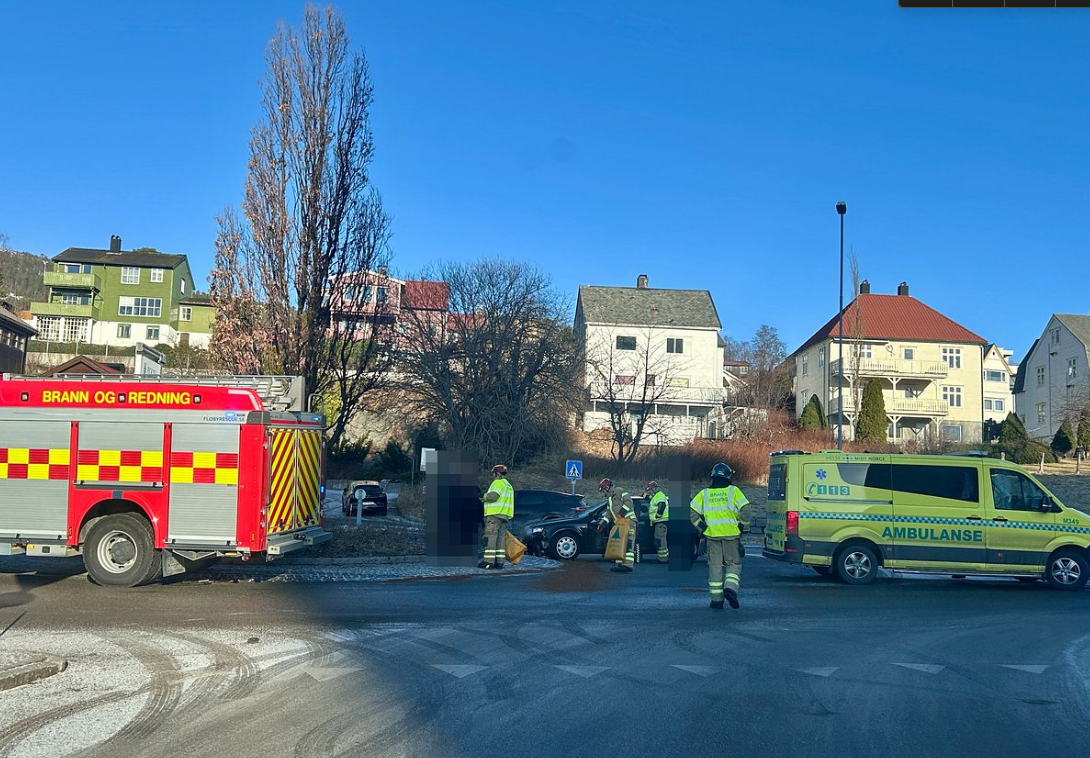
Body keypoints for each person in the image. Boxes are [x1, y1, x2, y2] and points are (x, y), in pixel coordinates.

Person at [690, 463, 750, 610]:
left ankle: (717, 600)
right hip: (731, 536)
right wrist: (741, 526)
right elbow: (746, 510)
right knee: (733, 564)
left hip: (712, 537)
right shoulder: (734, 491)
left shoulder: (704, 494)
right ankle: (730, 589)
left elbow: (692, 514)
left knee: (715, 567)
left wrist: (704, 528)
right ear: (728, 476)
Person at [597, 478, 637, 572]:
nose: (602, 493)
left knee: (628, 543)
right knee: (619, 544)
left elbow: (629, 502)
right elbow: (609, 514)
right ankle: (619, 564)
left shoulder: (619, 490)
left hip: (628, 521)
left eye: (602, 490)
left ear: (607, 487)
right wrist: (601, 524)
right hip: (620, 523)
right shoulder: (609, 499)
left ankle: (628, 565)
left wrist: (621, 514)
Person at [479, 464, 514, 569]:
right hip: (504, 515)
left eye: (494, 473)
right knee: (500, 539)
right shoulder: (508, 485)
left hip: (495, 515)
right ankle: (499, 562)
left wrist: (483, 497)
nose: (493, 475)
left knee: (491, 537)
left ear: (498, 473)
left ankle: (488, 562)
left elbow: (493, 496)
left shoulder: (498, 483)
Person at [646, 481, 669, 563]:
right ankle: (663, 557)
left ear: (654, 488)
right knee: (660, 540)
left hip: (661, 521)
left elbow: (662, 505)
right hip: (660, 522)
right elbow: (651, 499)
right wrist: (644, 495)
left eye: (650, 490)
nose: (649, 492)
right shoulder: (656, 496)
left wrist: (657, 516)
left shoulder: (659, 495)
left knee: (660, 540)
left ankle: (663, 558)